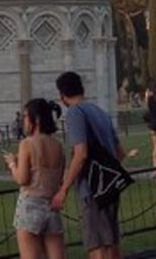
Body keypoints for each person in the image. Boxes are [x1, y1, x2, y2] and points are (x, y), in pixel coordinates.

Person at [52, 71, 129, 259]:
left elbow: (81, 154)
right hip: (111, 185)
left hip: (92, 189)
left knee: (97, 245)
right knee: (112, 242)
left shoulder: (75, 113)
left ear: (62, 95)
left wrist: (64, 189)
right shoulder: (100, 112)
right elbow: (120, 153)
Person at [5, 99, 66, 259]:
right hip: (51, 206)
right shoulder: (58, 145)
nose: (24, 120)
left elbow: (22, 179)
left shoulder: (27, 144)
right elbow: (59, 179)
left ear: (36, 119)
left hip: (30, 206)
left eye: (26, 116)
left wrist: (12, 164)